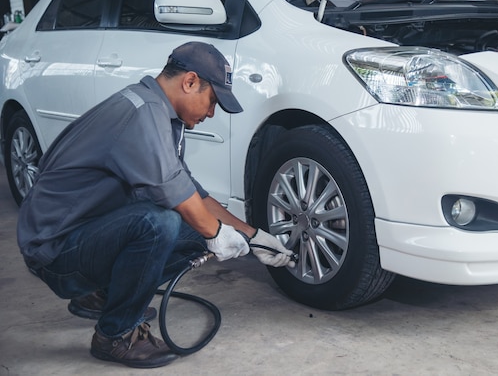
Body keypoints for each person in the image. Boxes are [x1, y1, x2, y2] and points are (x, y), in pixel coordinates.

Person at [16, 41, 294, 369]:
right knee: (159, 223)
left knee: (191, 224)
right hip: (54, 249)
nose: (210, 113)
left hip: (80, 235)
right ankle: (115, 335)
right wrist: (215, 232)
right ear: (189, 82)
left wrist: (252, 236)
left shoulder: (159, 114)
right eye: (212, 101)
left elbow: (193, 194)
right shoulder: (144, 114)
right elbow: (177, 200)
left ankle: (105, 295)